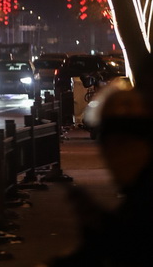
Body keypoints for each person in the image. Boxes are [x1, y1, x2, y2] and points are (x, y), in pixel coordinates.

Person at [38, 56, 153, 266]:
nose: (114, 157)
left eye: (123, 143)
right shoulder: (138, 191)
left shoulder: (144, 189)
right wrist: (96, 221)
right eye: (108, 146)